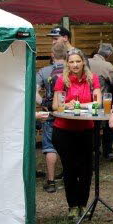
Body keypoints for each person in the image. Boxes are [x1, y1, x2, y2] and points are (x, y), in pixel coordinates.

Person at [50, 47, 102, 221]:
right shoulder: (61, 80)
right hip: (64, 130)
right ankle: (72, 206)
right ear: (67, 63)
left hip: (86, 129)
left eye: (77, 61)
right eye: (71, 62)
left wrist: (80, 106)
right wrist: (70, 105)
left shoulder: (92, 79)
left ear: (83, 62)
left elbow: (99, 102)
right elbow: (56, 106)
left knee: (86, 169)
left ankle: (82, 204)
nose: (74, 65)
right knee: (70, 169)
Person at [36, 42, 68, 193]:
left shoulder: (44, 71)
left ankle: (51, 182)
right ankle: (70, 178)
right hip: (70, 114)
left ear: (52, 55)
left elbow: (33, 91)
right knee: (70, 146)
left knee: (50, 147)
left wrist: (42, 102)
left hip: (50, 113)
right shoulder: (72, 70)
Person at [88, 43, 113, 160]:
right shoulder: (106, 65)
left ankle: (91, 152)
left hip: (85, 101)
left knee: (89, 129)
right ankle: (107, 151)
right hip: (101, 102)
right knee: (109, 126)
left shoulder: (86, 61)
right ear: (109, 54)